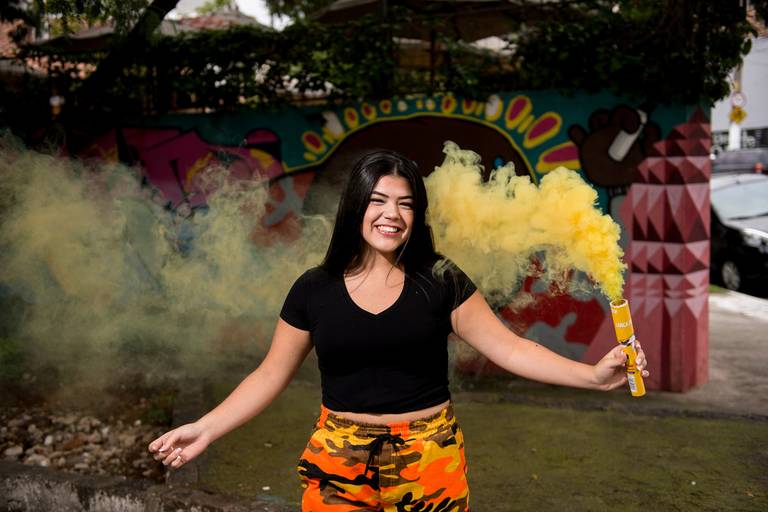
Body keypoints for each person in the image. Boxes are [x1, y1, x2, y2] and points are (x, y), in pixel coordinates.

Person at [148, 150, 649, 511]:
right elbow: (269, 375)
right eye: (378, 200)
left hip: (429, 458)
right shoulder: (313, 290)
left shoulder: (442, 280)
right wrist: (205, 428)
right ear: (355, 207)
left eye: (406, 204)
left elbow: (512, 350)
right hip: (338, 461)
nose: (392, 214)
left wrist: (591, 376)